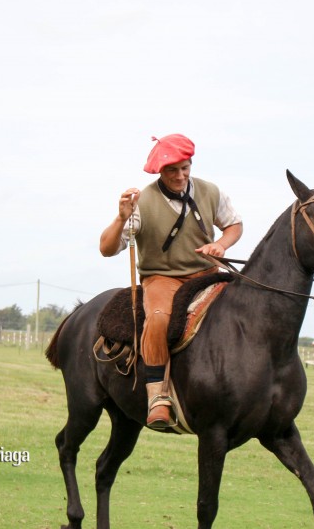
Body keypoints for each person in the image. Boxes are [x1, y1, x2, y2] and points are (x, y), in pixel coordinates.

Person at [99, 134, 243, 429]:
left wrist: (222, 246)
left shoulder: (211, 191)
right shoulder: (142, 202)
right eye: (172, 171)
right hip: (163, 277)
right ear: (160, 172)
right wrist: (120, 218)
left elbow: (234, 225)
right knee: (159, 318)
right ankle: (158, 397)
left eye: (185, 168)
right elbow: (107, 248)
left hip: (207, 273)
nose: (180, 176)